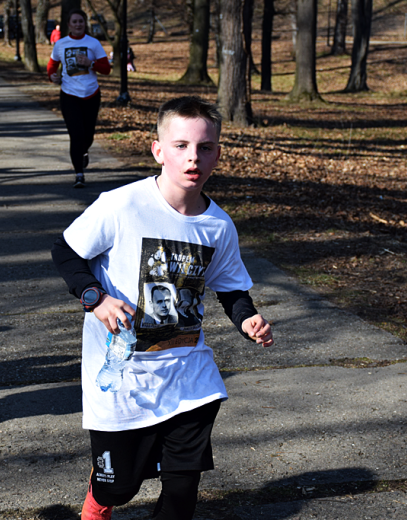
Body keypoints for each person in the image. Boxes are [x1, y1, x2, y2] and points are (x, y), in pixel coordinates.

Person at [51, 96, 274, 520]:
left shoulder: (218, 226)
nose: (193, 157)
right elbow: (65, 251)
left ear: (217, 154)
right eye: (181, 146)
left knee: (181, 495)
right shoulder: (121, 205)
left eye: (205, 147)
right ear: (158, 150)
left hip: (189, 379)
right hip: (122, 380)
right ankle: (99, 503)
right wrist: (94, 299)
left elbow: (230, 289)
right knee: (119, 489)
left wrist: (248, 318)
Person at [47, 9, 111, 188]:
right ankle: (79, 174)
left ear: (84, 24)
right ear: (69, 24)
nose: (77, 25)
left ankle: (83, 152)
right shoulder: (60, 44)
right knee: (76, 134)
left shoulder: (93, 43)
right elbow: (52, 65)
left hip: (91, 94)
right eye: (74, 22)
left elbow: (106, 68)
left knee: (88, 135)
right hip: (69, 94)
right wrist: (52, 76)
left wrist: (90, 63)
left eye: (80, 22)